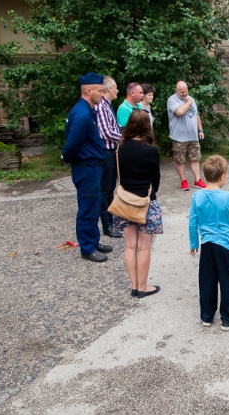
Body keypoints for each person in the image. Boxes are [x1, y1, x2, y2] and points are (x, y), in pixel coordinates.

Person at [189, 155, 229, 331]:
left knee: (207, 279)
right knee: (227, 279)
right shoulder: (228, 197)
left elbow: (193, 221)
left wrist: (193, 243)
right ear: (222, 176)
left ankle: (207, 315)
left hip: (206, 243)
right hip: (226, 245)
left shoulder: (197, 196)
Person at [61, 72, 112, 263]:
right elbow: (72, 143)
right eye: (100, 90)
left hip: (93, 167)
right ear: (88, 91)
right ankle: (87, 248)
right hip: (87, 167)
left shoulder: (88, 110)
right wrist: (66, 157)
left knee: (93, 205)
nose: (102, 93)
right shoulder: (82, 114)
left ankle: (93, 241)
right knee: (87, 208)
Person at [111, 110, 162, 298]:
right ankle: (143, 286)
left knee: (130, 246)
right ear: (147, 126)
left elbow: (118, 174)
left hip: (125, 202)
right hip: (145, 202)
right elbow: (155, 180)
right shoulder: (150, 150)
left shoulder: (120, 148)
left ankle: (133, 285)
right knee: (144, 247)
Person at [95, 75, 123, 239]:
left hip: (111, 152)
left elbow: (114, 127)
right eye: (115, 87)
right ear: (108, 89)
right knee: (105, 190)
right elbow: (106, 132)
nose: (117, 90)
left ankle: (111, 221)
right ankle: (106, 225)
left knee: (110, 187)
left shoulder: (108, 106)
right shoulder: (101, 107)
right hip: (105, 153)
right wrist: (123, 137)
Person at [167, 81, 206, 191]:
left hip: (193, 135)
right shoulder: (172, 100)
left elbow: (196, 115)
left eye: (186, 91)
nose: (184, 94)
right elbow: (179, 112)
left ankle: (197, 180)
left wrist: (200, 130)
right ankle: (183, 180)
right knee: (180, 159)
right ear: (177, 91)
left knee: (195, 158)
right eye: (182, 92)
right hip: (179, 136)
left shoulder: (191, 99)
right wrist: (189, 101)